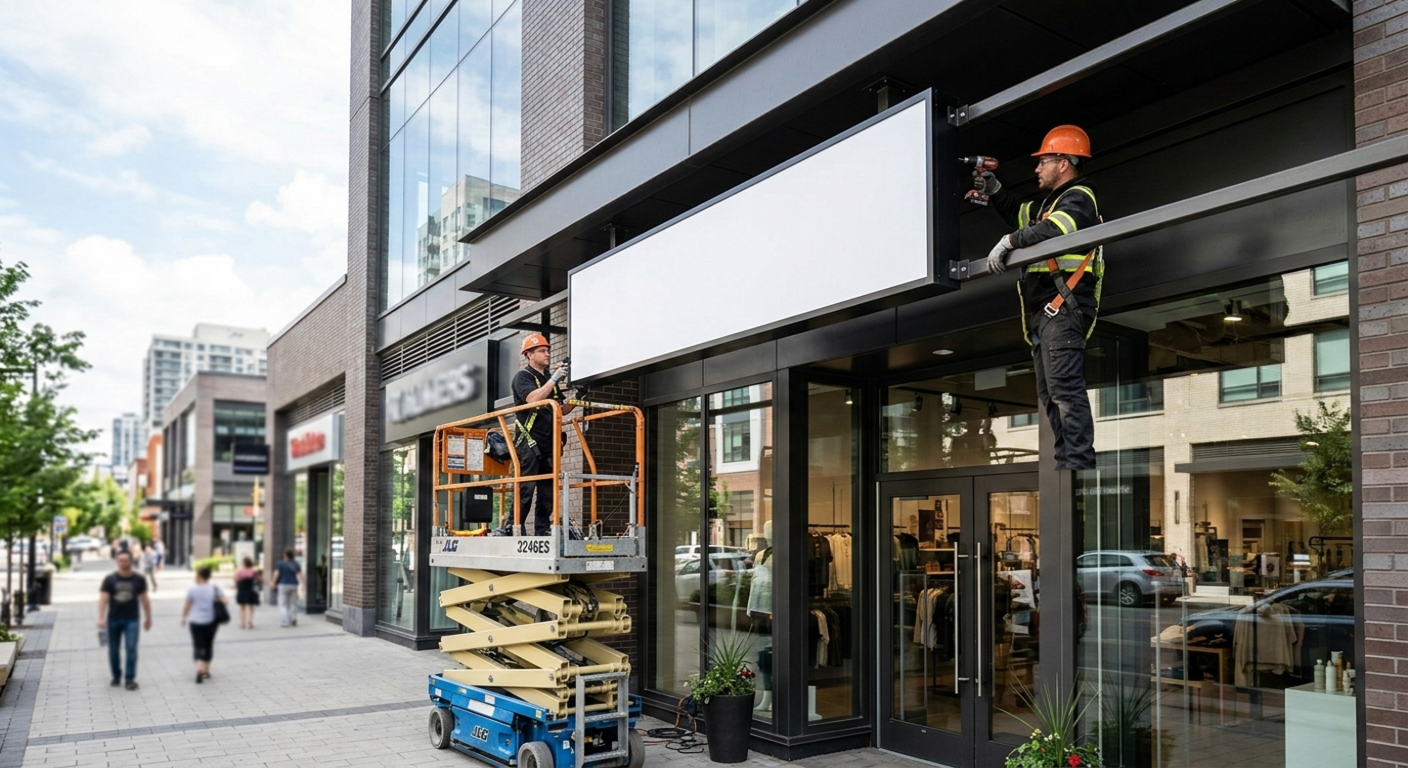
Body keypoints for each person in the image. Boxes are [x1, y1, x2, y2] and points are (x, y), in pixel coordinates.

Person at [980, 124, 1104, 471]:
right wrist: (993, 189)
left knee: (1064, 391)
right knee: (1052, 395)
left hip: (1062, 309)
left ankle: (1078, 465)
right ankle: (1068, 462)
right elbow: (1021, 214)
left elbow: (1053, 228)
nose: (1037, 168)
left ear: (1063, 163)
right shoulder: (1052, 202)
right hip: (1048, 312)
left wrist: (1010, 242)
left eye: (1043, 161)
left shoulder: (1080, 196)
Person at [503, 333, 575, 536]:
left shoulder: (546, 381)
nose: (548, 354)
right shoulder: (523, 377)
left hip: (549, 442)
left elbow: (561, 408)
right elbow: (533, 399)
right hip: (529, 441)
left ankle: (542, 530)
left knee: (547, 491)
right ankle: (513, 527)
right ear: (528, 355)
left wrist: (578, 396)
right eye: (542, 351)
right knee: (526, 488)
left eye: (548, 350)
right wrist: (554, 379)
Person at [97, 550, 152, 690]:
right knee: (113, 650)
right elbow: (103, 599)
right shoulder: (110, 579)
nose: (123, 563)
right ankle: (116, 676)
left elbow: (145, 599)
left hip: (132, 619)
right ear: (116, 562)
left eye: (126, 560)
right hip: (113, 619)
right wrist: (101, 617)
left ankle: (129, 679)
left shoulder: (139, 579)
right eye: (120, 560)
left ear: (131, 561)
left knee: (131, 648)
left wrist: (148, 618)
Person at [180, 566, 227, 683]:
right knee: (208, 645)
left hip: (195, 621)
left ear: (200, 576)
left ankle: (198, 667)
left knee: (197, 645)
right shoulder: (214, 588)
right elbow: (225, 601)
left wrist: (184, 617)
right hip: (211, 622)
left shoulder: (192, 589)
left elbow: (187, 605)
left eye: (196, 574)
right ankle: (205, 671)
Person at [270, 549, 303, 628]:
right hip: (293, 585)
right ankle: (293, 618)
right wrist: (303, 584)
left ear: (285, 554)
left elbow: (276, 574)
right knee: (293, 603)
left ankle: (285, 621)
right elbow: (300, 574)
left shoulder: (280, 563)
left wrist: (273, 582)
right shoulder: (295, 563)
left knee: (283, 604)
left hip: (283, 585)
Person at [234, 556, 261, 629]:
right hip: (250, 590)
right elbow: (259, 579)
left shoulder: (239, 571)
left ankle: (242, 623)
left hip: (242, 589)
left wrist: (236, 586)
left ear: (243, 563)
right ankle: (249, 623)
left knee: (242, 607)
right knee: (250, 607)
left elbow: (236, 579)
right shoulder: (254, 570)